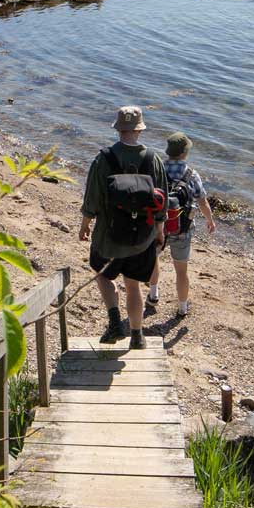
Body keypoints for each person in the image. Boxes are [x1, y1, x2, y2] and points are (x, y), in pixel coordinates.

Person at [78, 105, 167, 347]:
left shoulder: (103, 159)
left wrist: (85, 224)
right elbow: (162, 201)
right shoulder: (153, 160)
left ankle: (115, 320)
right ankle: (137, 337)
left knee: (103, 275)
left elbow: (92, 198)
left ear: (118, 129)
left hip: (109, 236)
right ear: (140, 130)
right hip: (141, 238)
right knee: (134, 284)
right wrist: (159, 231)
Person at [161, 132, 218, 318]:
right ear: (185, 153)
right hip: (182, 229)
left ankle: (153, 294)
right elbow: (202, 201)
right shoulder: (191, 174)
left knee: (152, 260)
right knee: (181, 271)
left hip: (158, 227)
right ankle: (183, 307)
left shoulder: (157, 169)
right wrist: (210, 220)